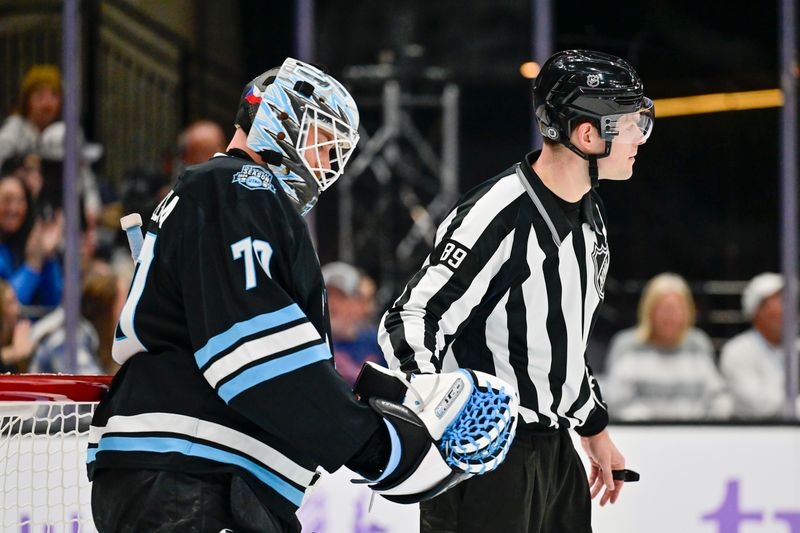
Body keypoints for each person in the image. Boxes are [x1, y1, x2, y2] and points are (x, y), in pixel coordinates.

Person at [87, 58, 514, 532]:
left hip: (207, 473)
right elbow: (251, 354)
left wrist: (366, 414)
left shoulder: (229, 194)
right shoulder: (237, 185)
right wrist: (378, 446)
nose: (328, 162)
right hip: (191, 467)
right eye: (322, 140)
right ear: (277, 116)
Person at [379, 49, 653, 532]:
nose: (640, 136)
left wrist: (593, 427)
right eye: (631, 122)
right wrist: (437, 413)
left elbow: (560, 338)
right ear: (588, 134)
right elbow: (412, 317)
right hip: (487, 461)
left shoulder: (590, 215)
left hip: (553, 453)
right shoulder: (498, 213)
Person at [604, 273, 732, 420]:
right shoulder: (627, 344)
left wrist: (703, 424)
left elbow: (719, 396)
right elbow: (616, 402)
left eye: (676, 309)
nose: (670, 316)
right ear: (649, 311)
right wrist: (658, 427)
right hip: (642, 436)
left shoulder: (698, 343)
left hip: (694, 435)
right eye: (663, 309)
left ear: (688, 312)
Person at [719, 273, 795, 418]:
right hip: (751, 436)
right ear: (757, 312)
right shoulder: (736, 351)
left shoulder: (796, 348)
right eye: (779, 302)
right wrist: (794, 405)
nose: (787, 310)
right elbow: (754, 405)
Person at [28, 272, 122, 375]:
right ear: (108, 309)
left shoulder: (91, 337)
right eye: (125, 300)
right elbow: (90, 386)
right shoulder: (67, 337)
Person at [0, 174, 63, 307]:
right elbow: (6, 307)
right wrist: (33, 265)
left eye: (20, 200)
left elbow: (51, 302)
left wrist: (47, 256)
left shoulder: (26, 245)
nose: (14, 209)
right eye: (7, 200)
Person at [322, 261, 385, 385]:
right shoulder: (313, 345)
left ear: (356, 303)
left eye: (340, 297)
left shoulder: (379, 341)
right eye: (327, 295)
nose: (332, 304)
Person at [0, 278, 34, 372]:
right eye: (9, 303)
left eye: (15, 300)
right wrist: (13, 353)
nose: (17, 309)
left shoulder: (16, 335)